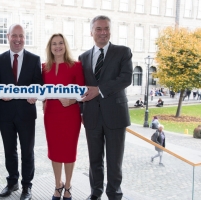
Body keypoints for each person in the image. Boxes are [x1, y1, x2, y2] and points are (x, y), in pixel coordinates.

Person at [78, 15, 133, 200]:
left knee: (114, 160)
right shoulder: (83, 57)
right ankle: (95, 192)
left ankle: (114, 194)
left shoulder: (123, 52)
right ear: (91, 32)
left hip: (115, 115)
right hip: (92, 115)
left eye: (107, 28)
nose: (103, 32)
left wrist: (99, 90)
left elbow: (125, 79)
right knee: (95, 159)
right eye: (99, 29)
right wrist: (79, 111)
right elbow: (80, 87)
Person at [0, 24, 43, 200]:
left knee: (27, 151)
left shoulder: (34, 59)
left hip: (26, 113)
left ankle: (27, 186)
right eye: (14, 35)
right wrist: (0, 93)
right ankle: (12, 181)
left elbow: (39, 84)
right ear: (8, 36)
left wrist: (35, 95)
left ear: (25, 38)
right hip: (6, 113)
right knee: (9, 150)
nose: (18, 39)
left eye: (21, 36)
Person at [42, 33, 85, 200]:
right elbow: (41, 91)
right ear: (50, 47)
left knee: (68, 151)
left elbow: (82, 91)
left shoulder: (76, 66)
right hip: (51, 115)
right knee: (54, 151)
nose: (57, 46)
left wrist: (73, 99)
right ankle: (57, 184)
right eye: (54, 44)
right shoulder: (44, 67)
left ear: (65, 45)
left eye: (60, 43)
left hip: (70, 114)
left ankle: (68, 186)